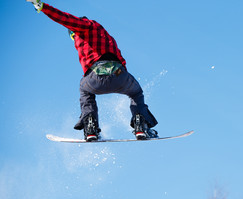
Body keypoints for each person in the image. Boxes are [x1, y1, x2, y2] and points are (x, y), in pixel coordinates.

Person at [26, 0, 158, 141]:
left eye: (73, 35)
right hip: (119, 75)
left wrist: (41, 6)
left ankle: (91, 128)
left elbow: (65, 19)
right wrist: (117, 76)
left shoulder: (86, 26)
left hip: (95, 77)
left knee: (84, 89)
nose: (74, 39)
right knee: (135, 92)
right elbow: (121, 60)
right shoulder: (108, 38)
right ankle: (140, 124)